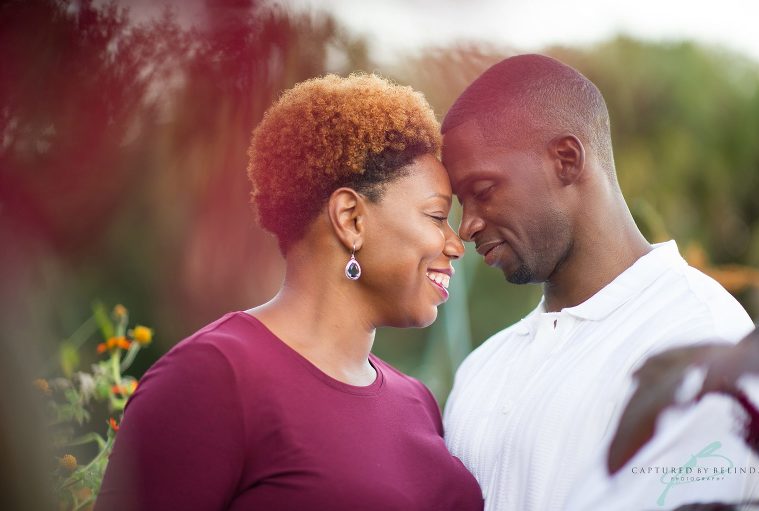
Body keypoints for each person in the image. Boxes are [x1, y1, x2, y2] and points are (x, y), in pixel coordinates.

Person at [94, 73, 483, 511]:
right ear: (351, 218)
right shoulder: (214, 379)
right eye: (436, 216)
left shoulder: (417, 402)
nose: (455, 244)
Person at [440, 54, 759, 510]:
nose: (467, 225)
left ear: (566, 160)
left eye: (484, 191)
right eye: (459, 203)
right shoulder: (481, 368)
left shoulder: (697, 339)